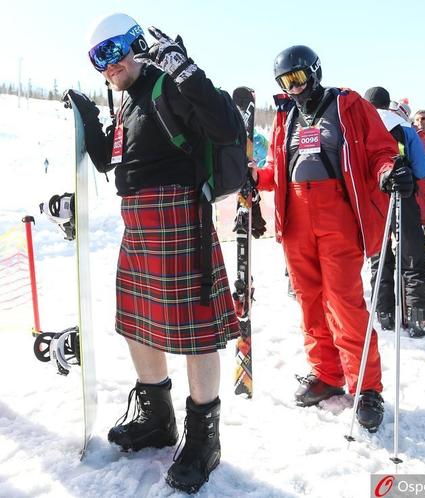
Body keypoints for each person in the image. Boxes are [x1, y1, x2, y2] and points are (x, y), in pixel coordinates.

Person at [63, 14, 244, 493]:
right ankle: (157, 417)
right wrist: (87, 116)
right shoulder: (128, 105)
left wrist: (185, 69)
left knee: (194, 330)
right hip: (139, 226)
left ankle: (204, 439)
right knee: (137, 320)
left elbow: (226, 127)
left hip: (180, 218)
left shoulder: (170, 84)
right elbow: (113, 161)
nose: (109, 65)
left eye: (114, 51)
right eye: (97, 59)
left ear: (135, 44)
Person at [253, 45, 407, 433]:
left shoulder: (348, 106)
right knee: (309, 299)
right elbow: (276, 168)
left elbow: (379, 150)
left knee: (343, 300)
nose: (294, 88)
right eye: (286, 83)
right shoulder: (286, 118)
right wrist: (254, 176)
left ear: (315, 73)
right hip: (296, 219)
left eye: (299, 78)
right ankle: (327, 372)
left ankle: (367, 386)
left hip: (336, 213)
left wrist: (388, 170)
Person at [364, 86, 425, 336]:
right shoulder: (403, 127)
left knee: (379, 254)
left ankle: (385, 312)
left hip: (371, 199)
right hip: (402, 193)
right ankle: (418, 315)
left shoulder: (358, 127)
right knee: (411, 253)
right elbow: (421, 168)